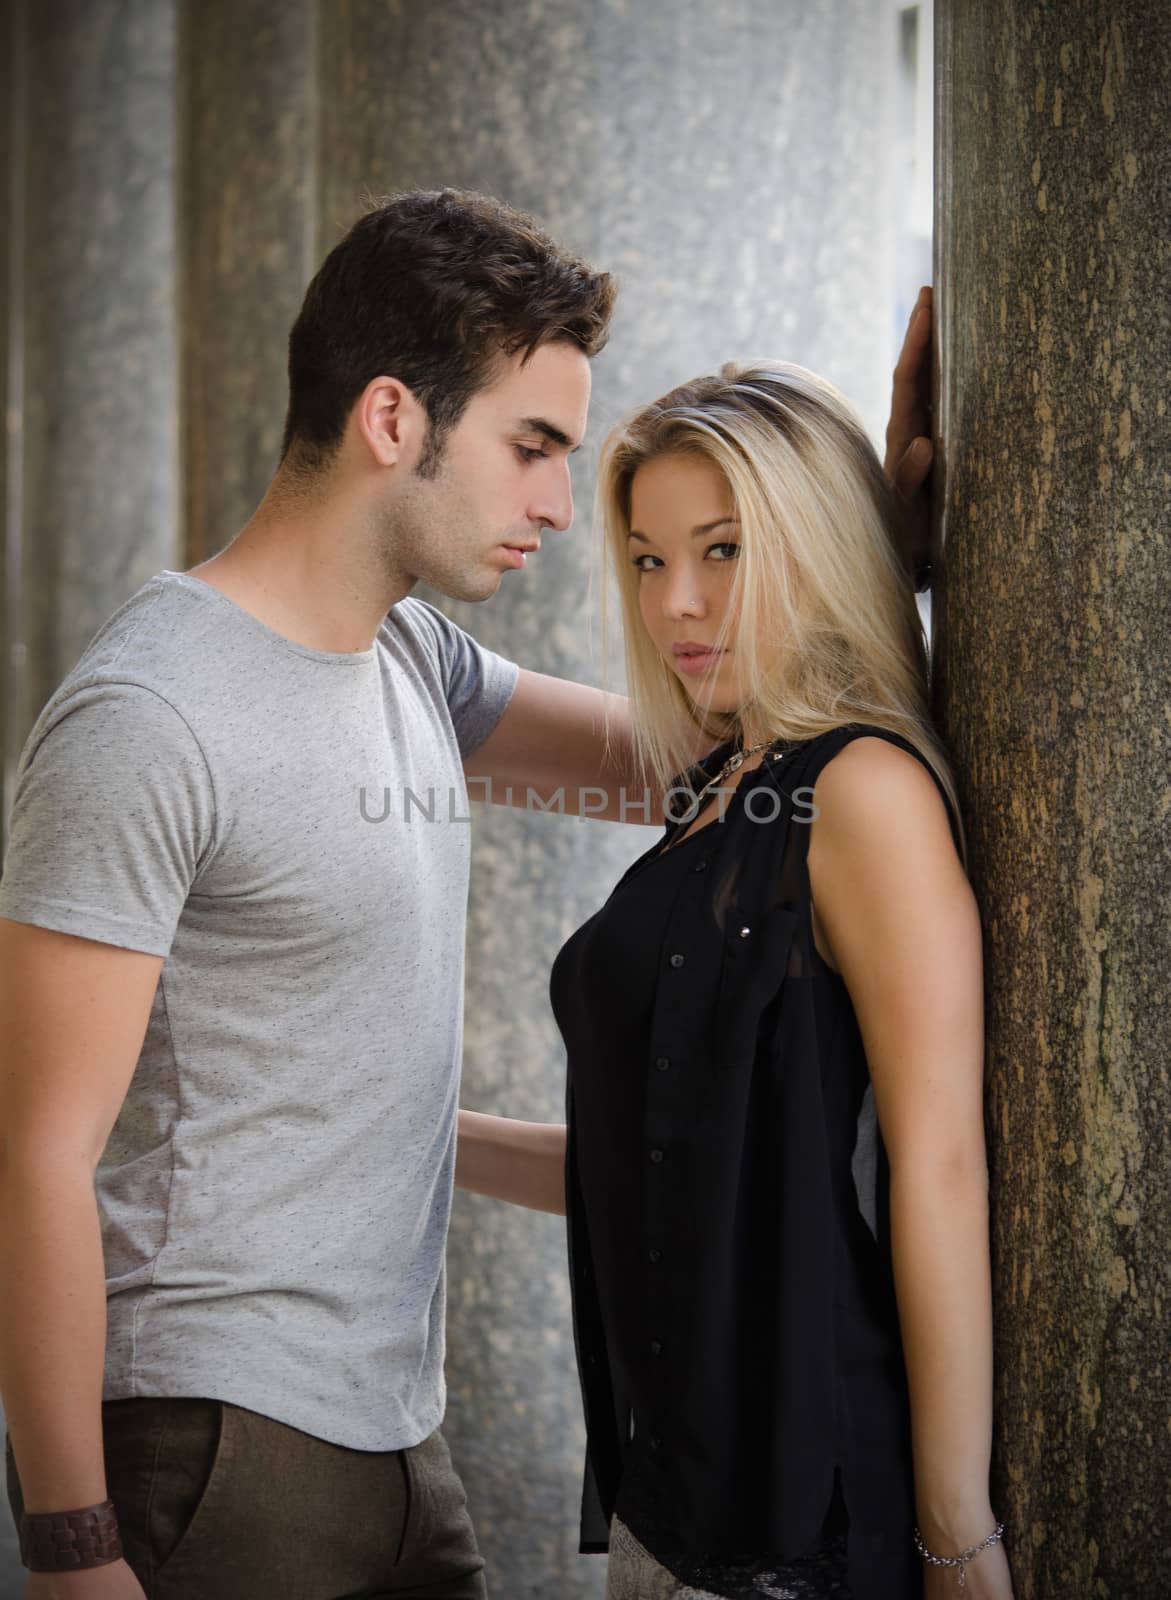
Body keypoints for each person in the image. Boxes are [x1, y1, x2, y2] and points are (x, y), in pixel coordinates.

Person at [0, 183, 934, 1600]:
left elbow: (717, 756)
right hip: (212, 1443)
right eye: (532, 448)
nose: (562, 506)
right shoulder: (150, 713)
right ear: (392, 422)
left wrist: (869, 558)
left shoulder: (409, 663)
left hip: (390, 1442)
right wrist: (71, 1551)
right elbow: (32, 1157)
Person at [455, 363, 1015, 1598]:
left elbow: (938, 1163)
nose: (678, 603)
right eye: (649, 560)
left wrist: (956, 1534)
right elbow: (659, 1166)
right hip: (665, 1519)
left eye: (726, 548)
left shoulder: (860, 794)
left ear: (811, 544)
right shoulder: (716, 785)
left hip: (809, 1528)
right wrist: (419, 1137)